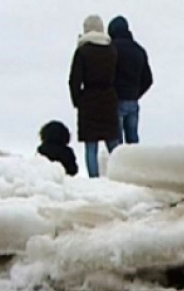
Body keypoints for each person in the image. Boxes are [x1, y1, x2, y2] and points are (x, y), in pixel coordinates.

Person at [69, 15, 120, 178]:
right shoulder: (111, 50)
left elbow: (74, 80)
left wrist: (78, 101)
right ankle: (119, 176)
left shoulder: (82, 51)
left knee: (91, 146)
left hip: (89, 100)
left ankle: (94, 180)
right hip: (109, 99)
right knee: (113, 144)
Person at [107, 16, 153, 144]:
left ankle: (117, 164)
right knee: (133, 142)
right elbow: (148, 79)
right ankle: (135, 164)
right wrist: (136, 93)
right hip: (133, 101)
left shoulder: (111, 49)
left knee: (116, 143)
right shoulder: (139, 50)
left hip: (116, 100)